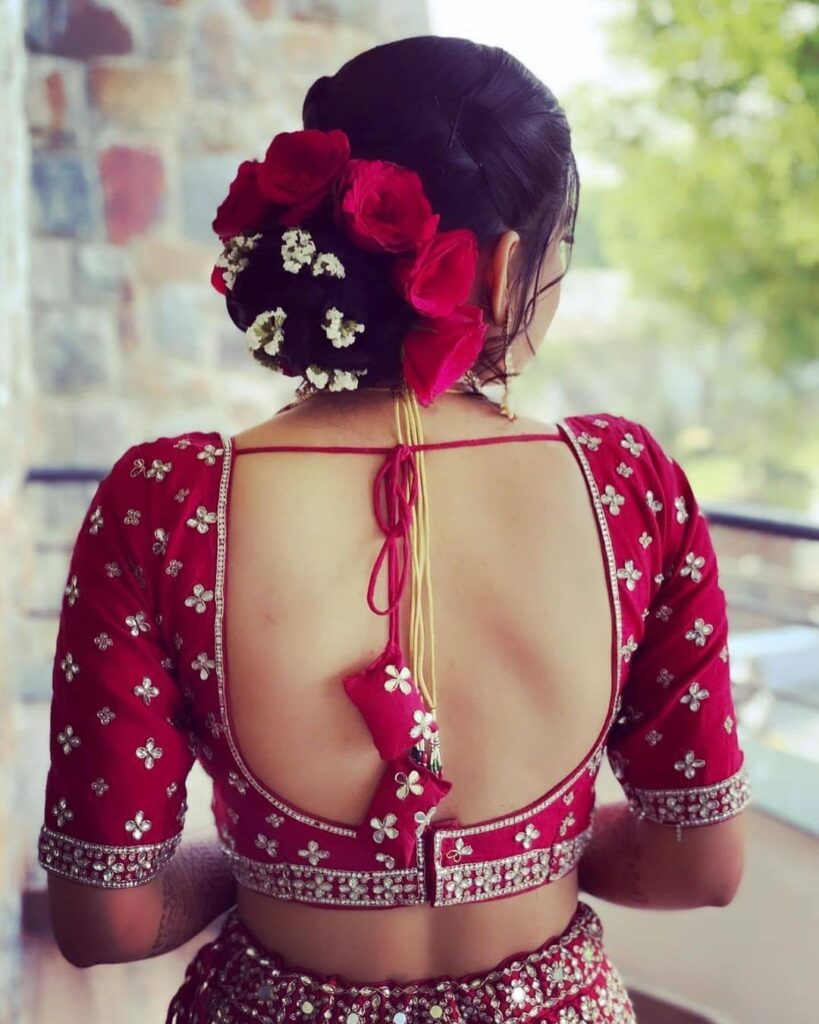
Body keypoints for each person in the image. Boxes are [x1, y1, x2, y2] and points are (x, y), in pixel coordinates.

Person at [36, 36, 750, 1024]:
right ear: (505, 269)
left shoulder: (165, 504)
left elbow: (107, 921)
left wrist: (270, 865)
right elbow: (699, 865)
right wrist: (521, 850)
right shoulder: (627, 487)